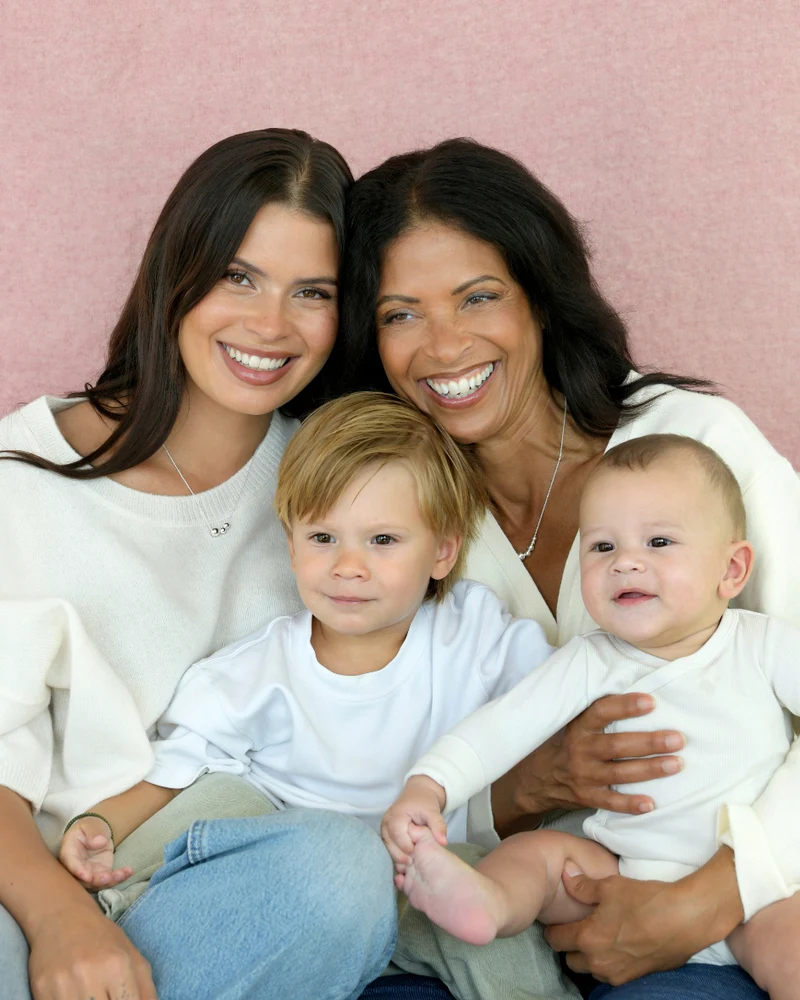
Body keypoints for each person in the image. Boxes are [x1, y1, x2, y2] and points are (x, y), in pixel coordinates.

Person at [340, 137, 800, 999]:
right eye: (401, 314)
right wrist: (523, 790)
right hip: (527, 914)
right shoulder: (390, 520)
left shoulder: (695, 447)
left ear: (542, 299)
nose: (444, 346)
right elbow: (370, 771)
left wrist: (712, 897)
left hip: (739, 907)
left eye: (478, 297)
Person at [0, 129, 401, 1000]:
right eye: (238, 277)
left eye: (312, 292)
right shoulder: (21, 483)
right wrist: (62, 922)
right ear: (174, 276)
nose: (270, 324)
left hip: (219, 895)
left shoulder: (351, 491)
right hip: (27, 886)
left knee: (342, 874)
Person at [56, 391, 551, 900]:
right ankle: (127, 901)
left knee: (497, 894)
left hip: (426, 880)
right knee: (220, 798)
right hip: (297, 888)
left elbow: (560, 694)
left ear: (443, 551)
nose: (348, 567)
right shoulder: (254, 674)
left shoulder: (472, 634)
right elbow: (172, 773)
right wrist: (100, 825)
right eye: (323, 538)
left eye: (382, 540)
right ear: (291, 547)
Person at [384, 434, 800, 1000]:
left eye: (658, 541)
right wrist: (427, 787)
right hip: (622, 882)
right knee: (534, 859)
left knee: (792, 948)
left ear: (731, 569)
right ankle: (487, 904)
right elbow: (498, 730)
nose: (625, 561)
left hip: (757, 889)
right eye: (602, 546)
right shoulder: (590, 660)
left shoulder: (762, 645)